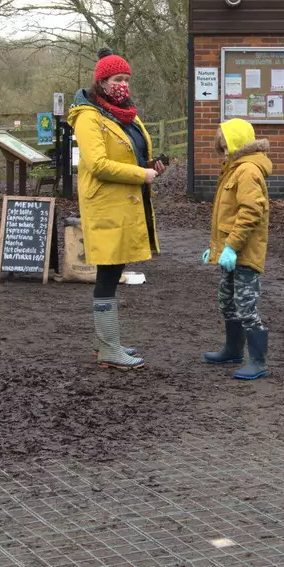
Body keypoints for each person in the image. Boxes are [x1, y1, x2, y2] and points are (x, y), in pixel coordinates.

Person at [69, 50, 168, 369]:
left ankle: (106, 343)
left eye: (126, 79)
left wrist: (149, 165)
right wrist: (141, 174)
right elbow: (97, 164)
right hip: (107, 205)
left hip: (125, 203)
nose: (123, 85)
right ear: (102, 82)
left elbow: (128, 154)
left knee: (111, 272)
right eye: (117, 79)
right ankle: (109, 347)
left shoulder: (124, 114)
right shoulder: (88, 116)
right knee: (109, 273)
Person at [200, 118, 273, 380]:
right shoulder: (233, 169)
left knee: (246, 306)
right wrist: (217, 249)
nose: (222, 152)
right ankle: (232, 350)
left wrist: (230, 247)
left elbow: (250, 213)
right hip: (231, 254)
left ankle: (258, 361)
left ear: (236, 144)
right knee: (227, 302)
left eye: (224, 146)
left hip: (245, 253)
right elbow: (227, 215)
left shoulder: (247, 171)